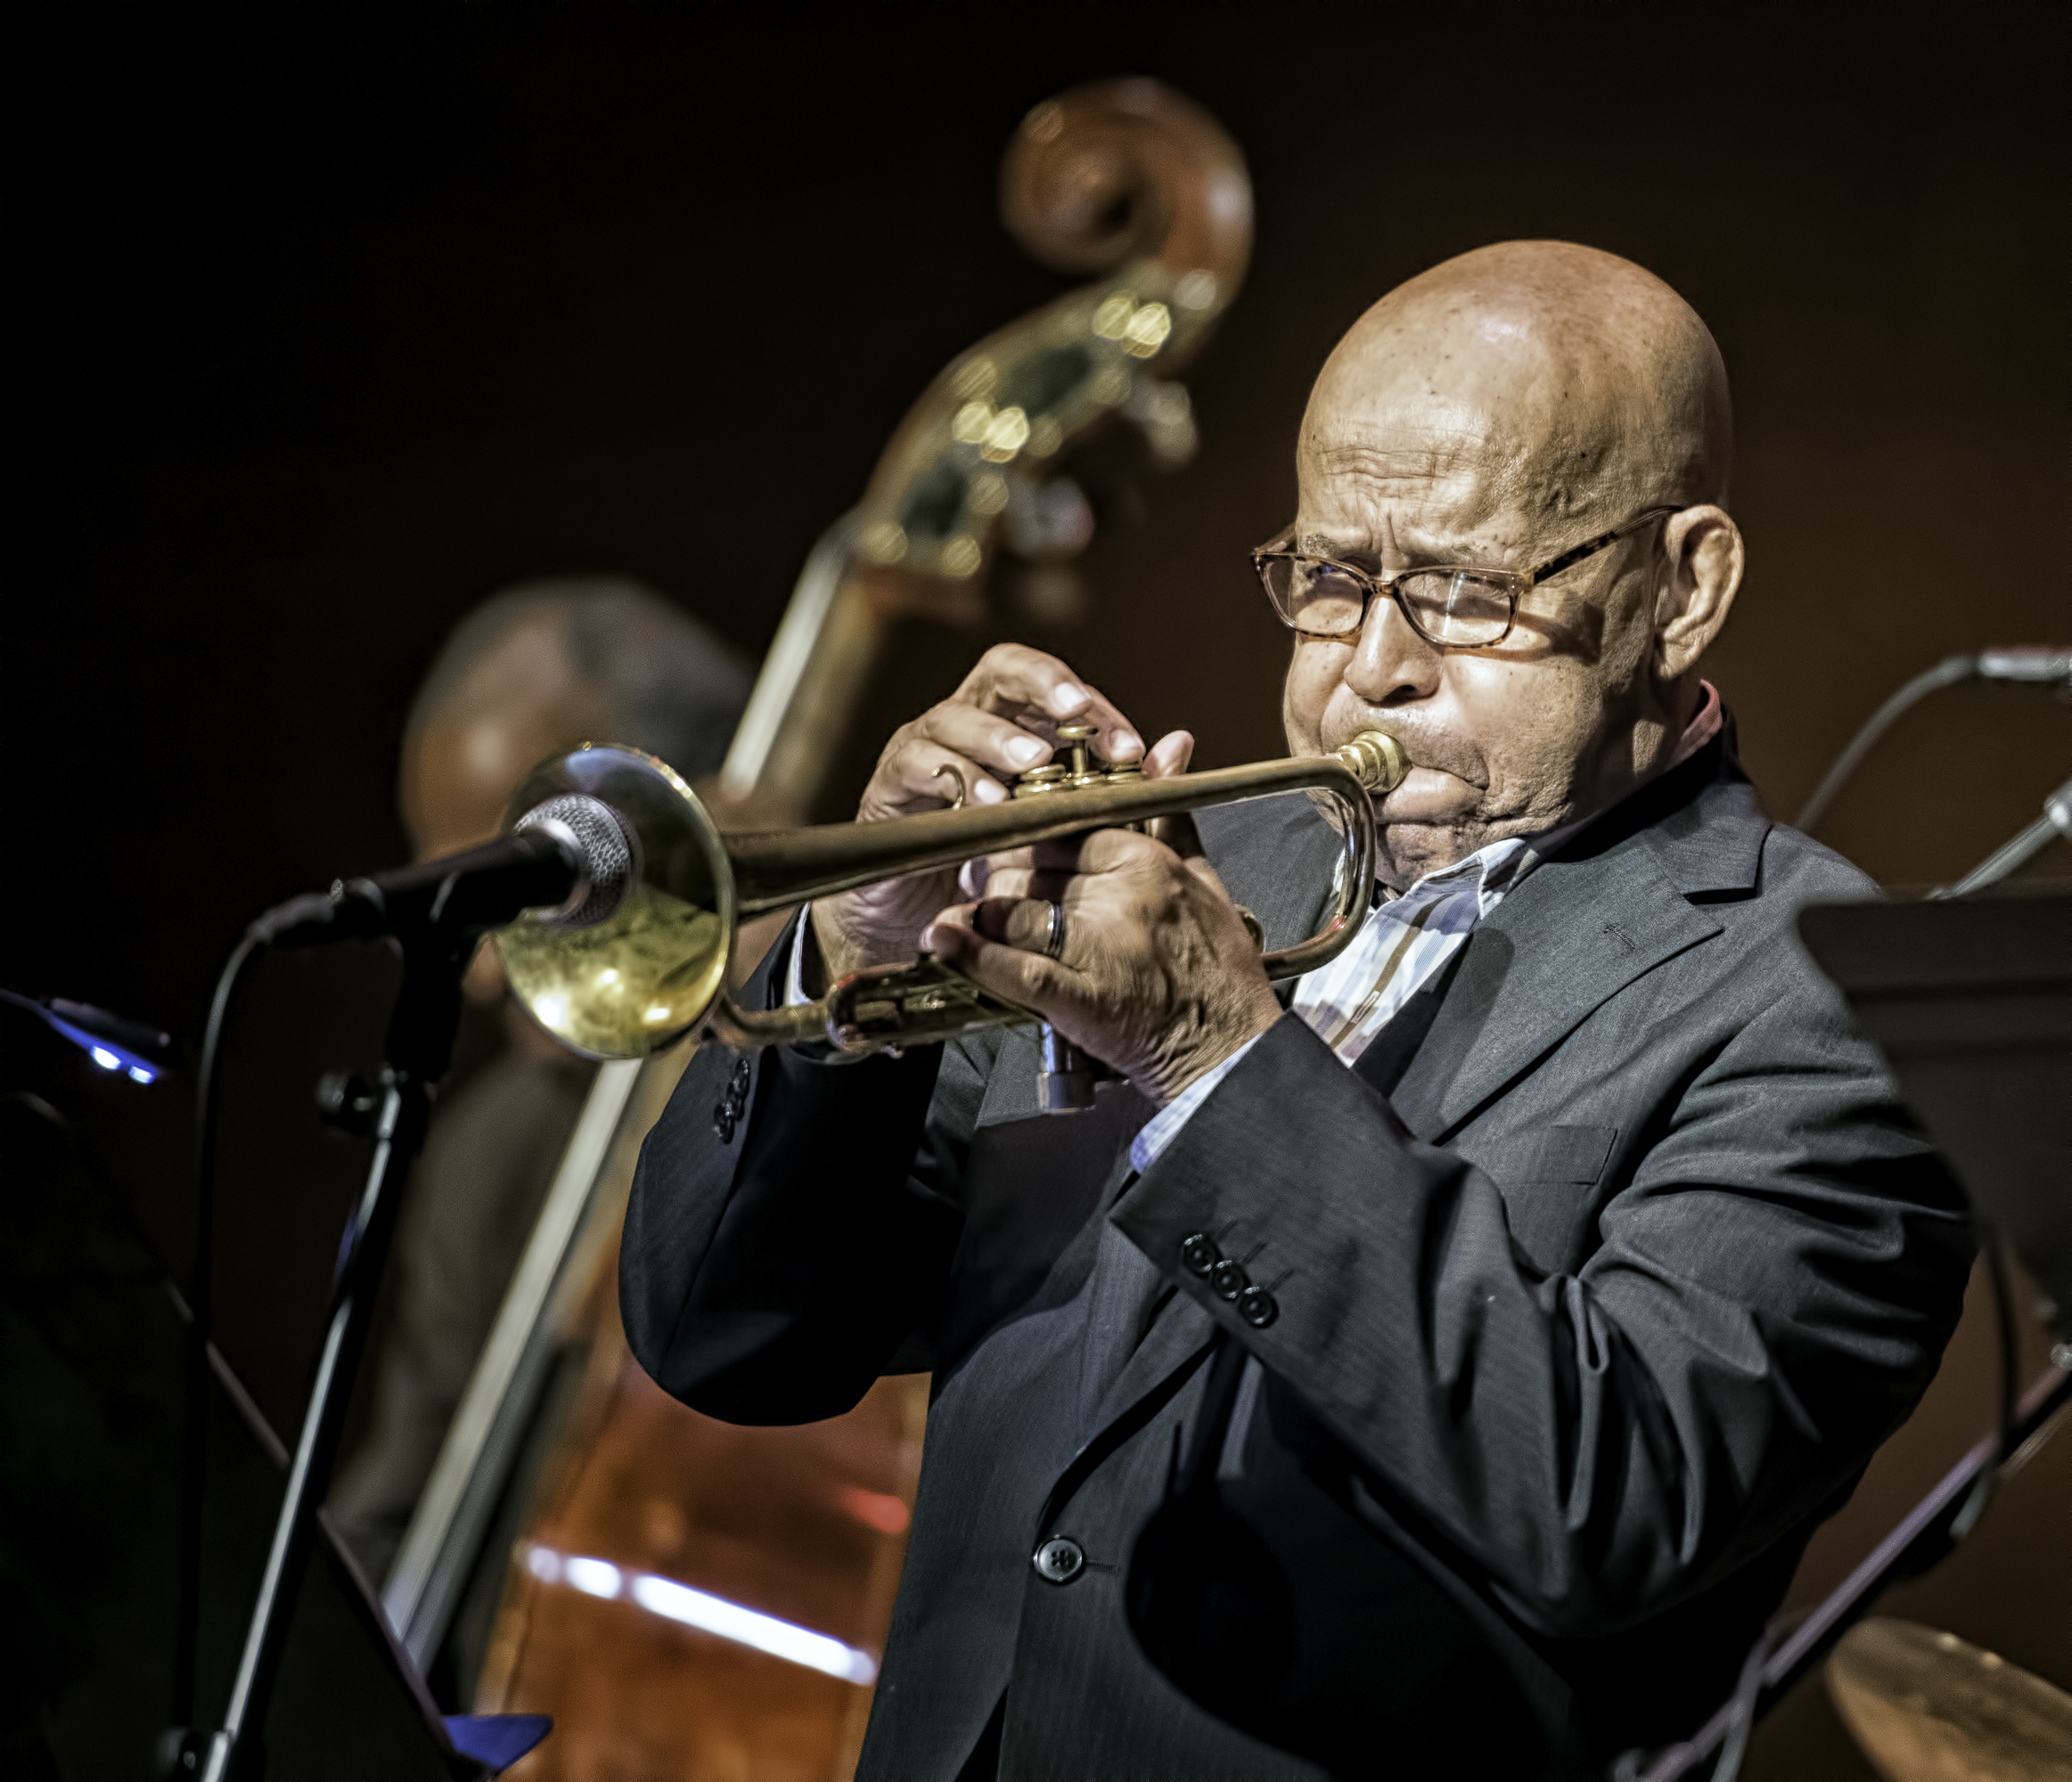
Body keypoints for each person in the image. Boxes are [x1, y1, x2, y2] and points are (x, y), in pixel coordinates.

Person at [619, 243, 1973, 1778]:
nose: (1370, 670)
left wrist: (1218, 1060)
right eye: (1331, 579)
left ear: (1681, 588)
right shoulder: (1194, 866)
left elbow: (1611, 1497)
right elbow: (725, 1337)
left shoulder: (1832, 999)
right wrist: (847, 962)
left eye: (1464, 591)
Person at [330, 578, 748, 1592]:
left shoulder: (868, 1089)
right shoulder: (491, 1149)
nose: (475, 970)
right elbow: (393, 1514)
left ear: (696, 819)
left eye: (523, 882)